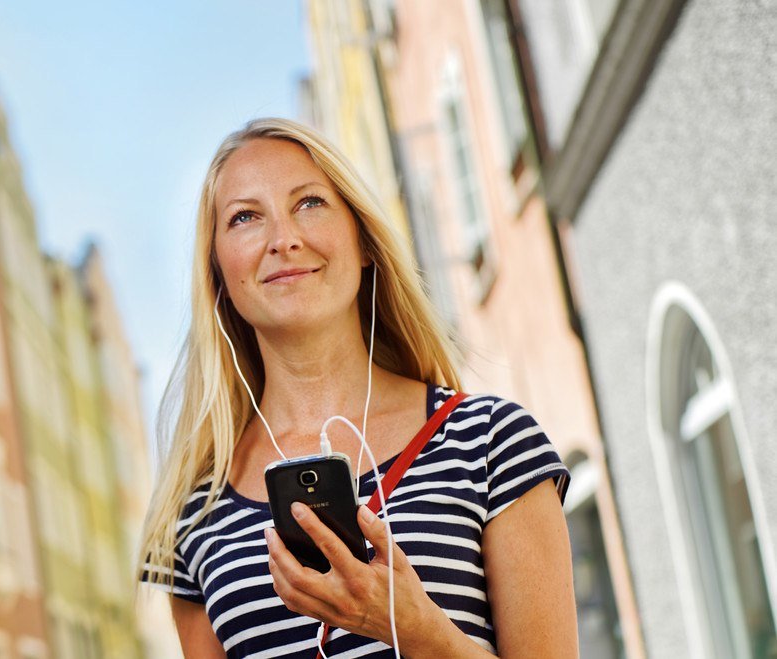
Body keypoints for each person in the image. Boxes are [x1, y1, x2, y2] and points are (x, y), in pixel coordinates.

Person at [137, 118, 577, 658]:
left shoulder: (491, 442)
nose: (284, 239)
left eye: (310, 203)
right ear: (219, 277)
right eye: (246, 217)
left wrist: (414, 628)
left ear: (363, 242)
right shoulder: (194, 515)